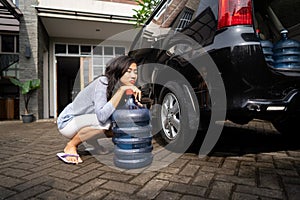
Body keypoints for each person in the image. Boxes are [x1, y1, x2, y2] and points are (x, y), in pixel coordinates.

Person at [56, 55, 141, 164]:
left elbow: (118, 115)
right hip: (67, 121)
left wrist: (136, 104)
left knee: (117, 127)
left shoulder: (120, 87)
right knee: (104, 123)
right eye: (129, 71)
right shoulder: (103, 82)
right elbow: (102, 116)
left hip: (84, 120)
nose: (133, 76)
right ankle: (71, 146)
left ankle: (94, 144)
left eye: (135, 72)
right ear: (119, 70)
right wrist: (121, 91)